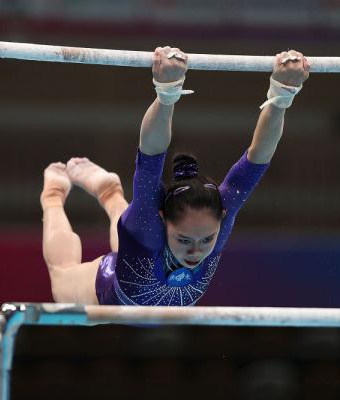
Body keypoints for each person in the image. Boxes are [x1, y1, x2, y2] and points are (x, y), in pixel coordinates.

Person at [40, 46, 310, 306]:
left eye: (207, 239)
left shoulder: (219, 216)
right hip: (109, 289)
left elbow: (257, 159)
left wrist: (282, 95)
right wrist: (166, 93)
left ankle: (110, 192)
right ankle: (54, 194)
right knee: (61, 274)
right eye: (184, 240)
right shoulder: (150, 224)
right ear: (163, 220)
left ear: (221, 220)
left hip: (139, 265)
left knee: (138, 233)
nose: (196, 251)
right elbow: (150, 155)